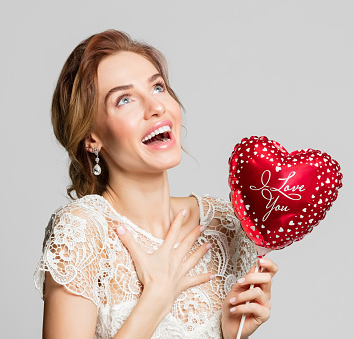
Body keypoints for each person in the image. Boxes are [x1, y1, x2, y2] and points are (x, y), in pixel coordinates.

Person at [34, 29, 278, 339]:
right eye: (124, 99)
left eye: (158, 87)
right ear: (91, 139)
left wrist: (229, 333)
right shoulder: (83, 231)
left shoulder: (223, 223)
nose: (156, 107)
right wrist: (156, 299)